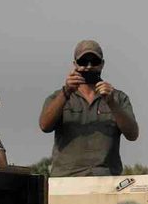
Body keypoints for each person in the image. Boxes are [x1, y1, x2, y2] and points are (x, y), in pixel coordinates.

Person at [38, 39, 139, 177]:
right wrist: (66, 93)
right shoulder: (58, 97)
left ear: (102, 64)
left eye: (94, 61)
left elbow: (132, 134)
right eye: (83, 62)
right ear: (75, 64)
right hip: (66, 178)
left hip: (105, 178)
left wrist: (112, 103)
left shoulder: (118, 97)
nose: (89, 66)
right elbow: (44, 125)